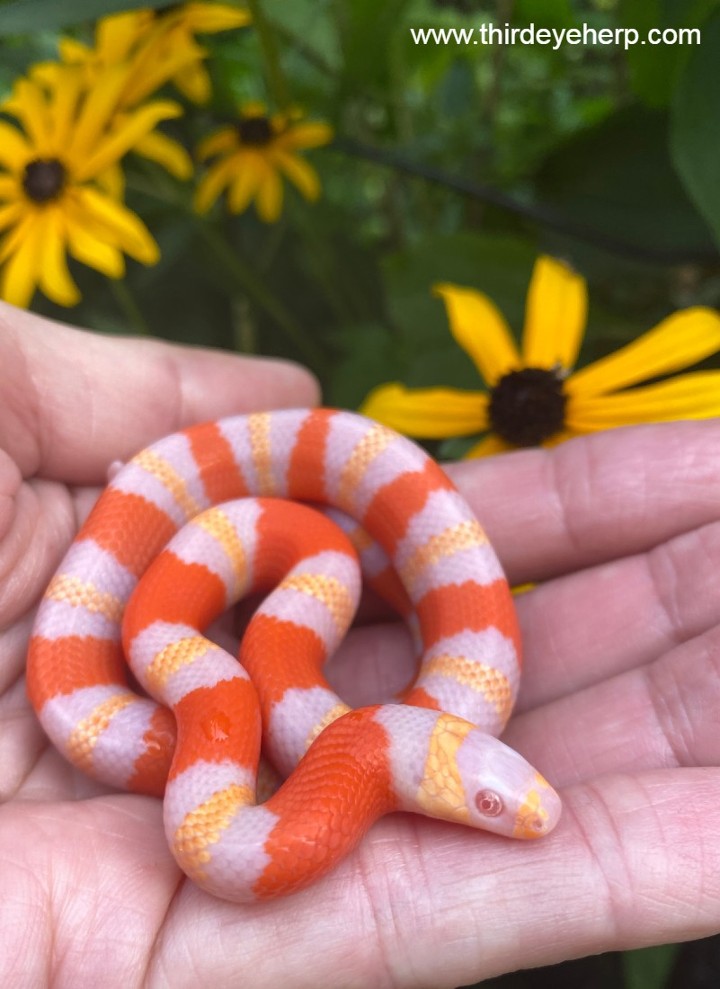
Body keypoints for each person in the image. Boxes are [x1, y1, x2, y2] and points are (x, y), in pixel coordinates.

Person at [2, 303, 719, 988]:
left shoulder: (341, 724)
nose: (517, 813)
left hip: (289, 618)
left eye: (493, 805)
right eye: (490, 806)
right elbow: (302, 762)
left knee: (259, 637)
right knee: (225, 648)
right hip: (244, 621)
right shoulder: (303, 720)